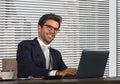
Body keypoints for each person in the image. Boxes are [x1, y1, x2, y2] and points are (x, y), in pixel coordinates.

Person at [16, 13, 77, 78]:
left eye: (55, 29)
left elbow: (65, 72)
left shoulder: (56, 54)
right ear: (39, 28)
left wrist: (75, 72)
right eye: (49, 27)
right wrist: (56, 73)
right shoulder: (25, 46)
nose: (53, 32)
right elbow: (27, 70)